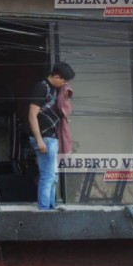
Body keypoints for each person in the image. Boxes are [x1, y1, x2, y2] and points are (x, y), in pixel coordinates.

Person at [28, 61, 76, 211]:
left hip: (52, 138)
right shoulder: (41, 87)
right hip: (44, 138)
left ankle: (50, 206)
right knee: (47, 176)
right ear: (56, 77)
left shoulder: (55, 89)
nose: (64, 84)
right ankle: (44, 209)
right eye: (63, 81)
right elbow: (32, 115)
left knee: (53, 176)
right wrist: (39, 140)